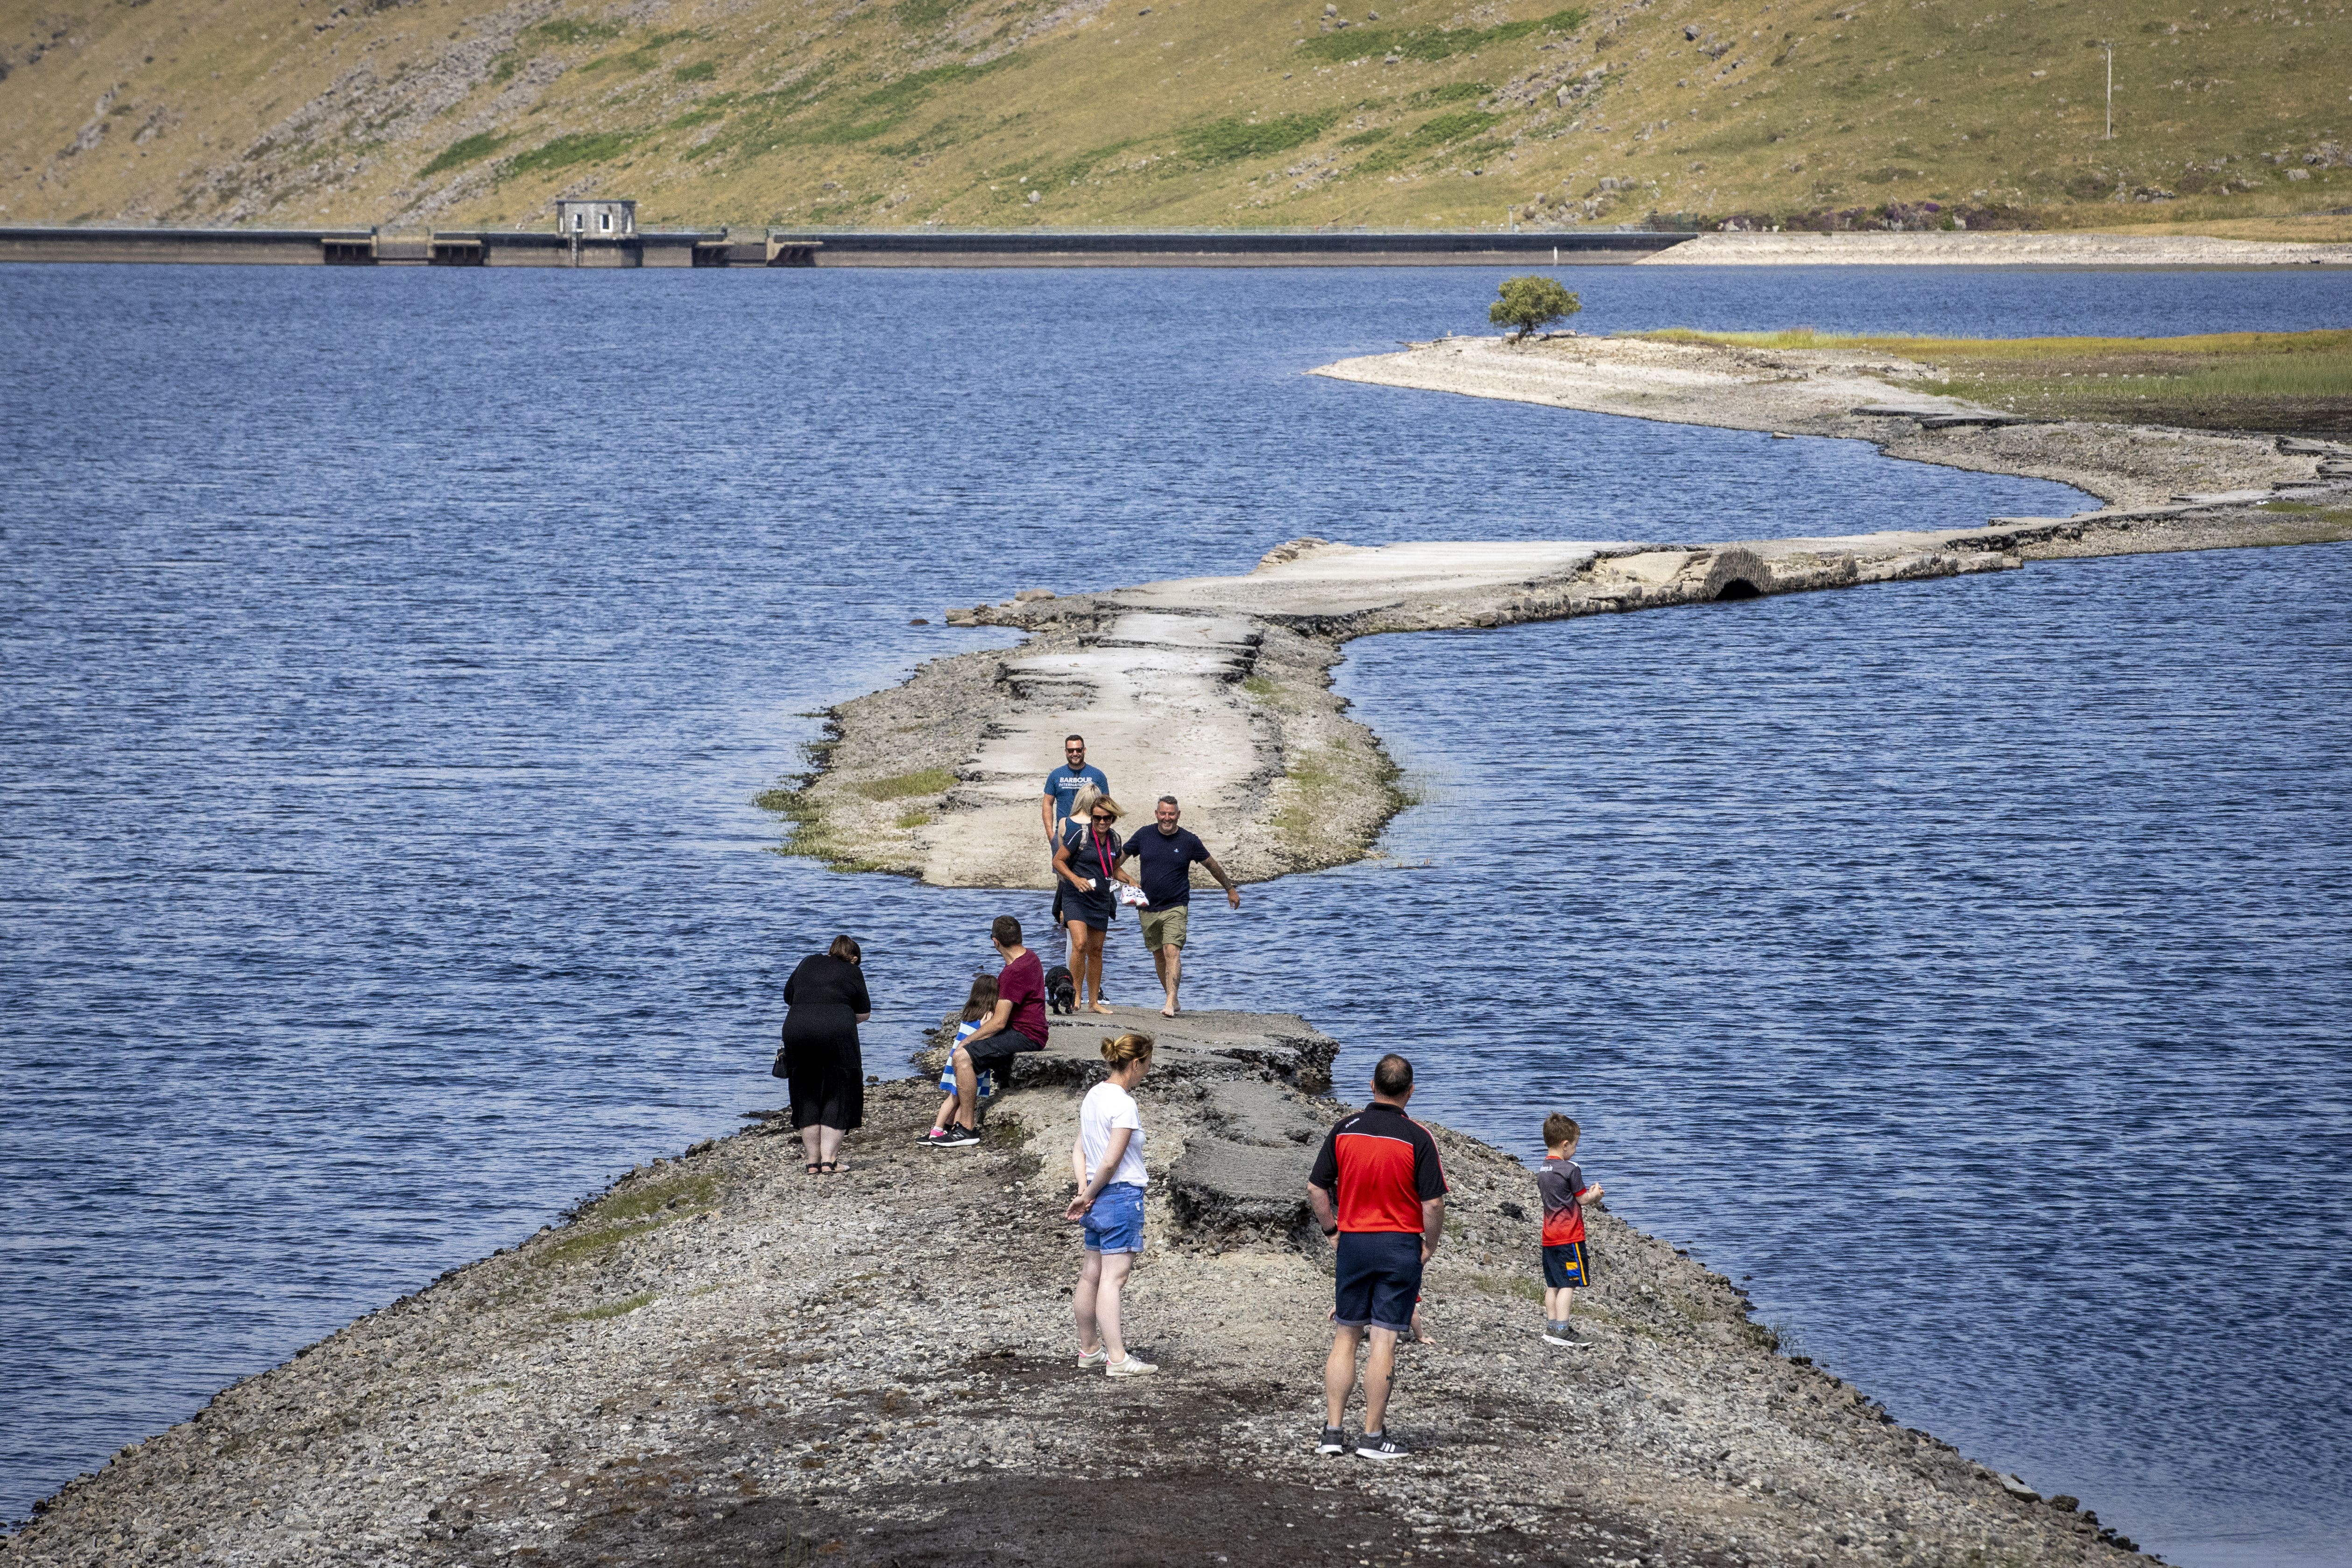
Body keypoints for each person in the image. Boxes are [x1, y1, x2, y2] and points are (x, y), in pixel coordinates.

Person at [1307, 1052, 1448, 1460]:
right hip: (1398, 1244)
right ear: (1410, 1092)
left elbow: (1317, 1189)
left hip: (1354, 1242)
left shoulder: (1344, 1128)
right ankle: (1371, 1438)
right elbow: (1433, 1204)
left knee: (1346, 1335)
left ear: (1371, 1086)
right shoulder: (1418, 1137)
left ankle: (1332, 1432)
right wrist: (1430, 1246)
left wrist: (1332, 1231)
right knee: (1384, 1339)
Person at [1066, 1031, 1158, 1377]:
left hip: (1095, 1196)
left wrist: (1084, 1190)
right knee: (1113, 1280)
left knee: (1091, 1275)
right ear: (1135, 1063)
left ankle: (1089, 1350)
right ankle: (1117, 1358)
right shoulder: (1123, 1103)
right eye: (1148, 1064)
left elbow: (1081, 1150)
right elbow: (1109, 1161)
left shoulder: (1093, 1095)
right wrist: (1088, 1194)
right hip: (1118, 1196)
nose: (1149, 1070)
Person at [930, 915, 1050, 1148]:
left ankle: (966, 1128)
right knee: (971, 1054)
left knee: (962, 1057)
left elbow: (999, 1022)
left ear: (995, 942)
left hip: (1027, 1034)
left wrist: (966, 1041)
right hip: (1029, 1029)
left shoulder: (1013, 972)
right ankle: (954, 1124)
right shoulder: (1031, 957)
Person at [1116, 795, 1240, 1017]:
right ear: (1156, 814)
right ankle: (1173, 998)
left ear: (1178, 815)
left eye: (1171, 814)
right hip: (1147, 906)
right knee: (1158, 955)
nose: (1167, 818)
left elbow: (1212, 865)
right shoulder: (1143, 835)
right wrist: (1129, 881)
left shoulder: (1189, 841)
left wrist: (1229, 889)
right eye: (1163, 814)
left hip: (1177, 905)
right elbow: (1116, 864)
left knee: (1171, 950)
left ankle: (1169, 1001)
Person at [779, 935, 871, 1175]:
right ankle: (829, 1162)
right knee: (840, 1091)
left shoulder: (808, 961)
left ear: (830, 951)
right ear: (853, 958)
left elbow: (788, 997)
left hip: (797, 1030)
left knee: (806, 1092)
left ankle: (812, 1162)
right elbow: (864, 1013)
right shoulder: (852, 971)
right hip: (837, 1034)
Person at [1054, 796, 1134, 1015]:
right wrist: (1075, 879)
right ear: (1091, 817)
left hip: (1100, 899)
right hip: (1076, 896)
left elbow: (1114, 869)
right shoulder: (1080, 834)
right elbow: (1058, 861)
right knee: (1080, 944)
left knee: (1097, 950)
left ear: (1112, 818)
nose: (1101, 822)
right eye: (1097, 818)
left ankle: (1094, 1002)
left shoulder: (1115, 840)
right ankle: (1076, 997)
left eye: (1106, 818)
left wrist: (1130, 880)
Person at [1535, 1113, 1604, 1348]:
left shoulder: (1544, 1169)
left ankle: (1552, 1327)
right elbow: (1582, 1200)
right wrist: (1595, 1196)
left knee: (1552, 1283)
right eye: (1575, 1145)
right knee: (1569, 1283)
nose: (1575, 1150)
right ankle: (1563, 1330)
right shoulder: (1570, 1169)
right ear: (1565, 1145)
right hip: (1569, 1236)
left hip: (1549, 1236)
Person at [1042, 735, 1109, 932]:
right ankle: (1066, 925)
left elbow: (1106, 804)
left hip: (1091, 835)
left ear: (1084, 750)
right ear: (1066, 752)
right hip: (1064, 833)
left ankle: (1091, 919)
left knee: (1093, 876)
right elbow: (1048, 803)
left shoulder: (1097, 775)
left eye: (1078, 750)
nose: (1075, 754)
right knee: (1064, 881)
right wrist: (1050, 834)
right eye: (1071, 750)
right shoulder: (1056, 775)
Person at [923, 975, 999, 1141]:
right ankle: (938, 1128)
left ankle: (953, 1128)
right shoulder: (989, 1015)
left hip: (955, 1059)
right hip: (969, 1062)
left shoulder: (970, 1012)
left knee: (958, 1098)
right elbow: (986, 1035)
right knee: (958, 1098)